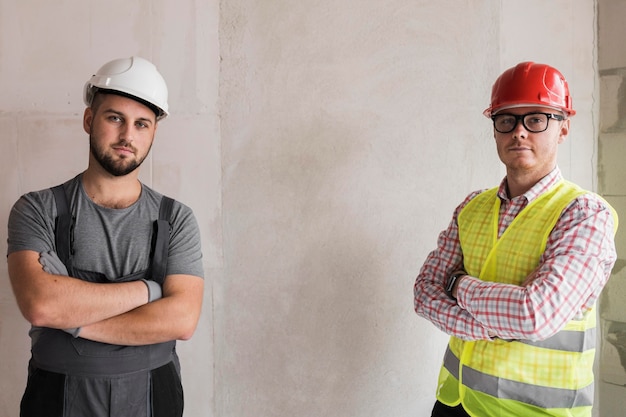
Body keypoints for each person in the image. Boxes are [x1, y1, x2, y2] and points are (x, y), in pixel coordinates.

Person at [413, 61, 618, 417]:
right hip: (454, 405)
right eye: (506, 119)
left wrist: (458, 284)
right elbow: (424, 294)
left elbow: (533, 314)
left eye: (536, 119)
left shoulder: (583, 214)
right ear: (495, 129)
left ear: (563, 128)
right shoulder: (472, 207)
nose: (519, 132)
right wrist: (491, 328)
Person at [7, 56, 204, 417]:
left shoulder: (176, 219)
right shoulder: (37, 209)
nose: (128, 135)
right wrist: (149, 291)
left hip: (153, 397)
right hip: (56, 396)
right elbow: (41, 304)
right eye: (115, 118)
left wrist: (74, 318)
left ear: (153, 133)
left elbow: (182, 320)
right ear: (89, 120)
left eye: (142, 124)